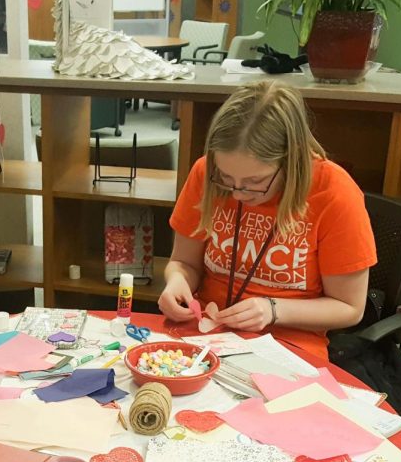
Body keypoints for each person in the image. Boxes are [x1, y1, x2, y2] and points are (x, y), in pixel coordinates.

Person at [158, 81, 376, 361]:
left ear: (291, 160)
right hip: (203, 335)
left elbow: (349, 307)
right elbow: (184, 263)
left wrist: (273, 310)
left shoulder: (334, 192)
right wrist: (176, 281)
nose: (237, 192)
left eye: (255, 181)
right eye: (225, 177)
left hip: (288, 347)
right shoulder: (205, 172)